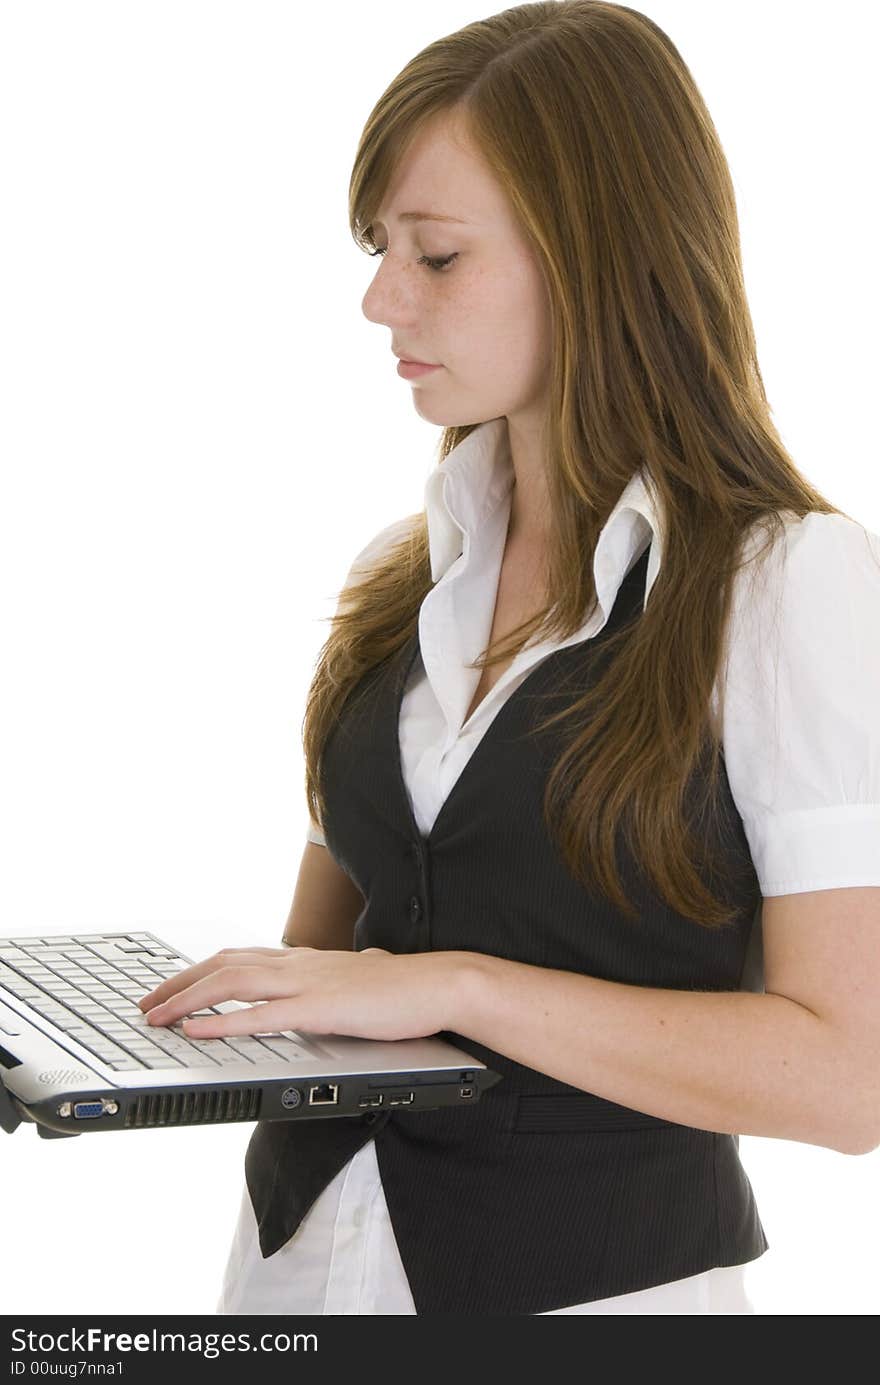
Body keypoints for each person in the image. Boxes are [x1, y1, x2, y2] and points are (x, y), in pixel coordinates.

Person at [138, 0, 880, 1315]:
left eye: (434, 254)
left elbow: (847, 1080)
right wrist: (122, 1035)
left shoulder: (786, 587)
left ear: (596, 257)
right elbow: (336, 968)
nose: (379, 298)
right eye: (381, 249)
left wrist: (459, 986)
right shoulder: (398, 580)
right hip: (294, 1278)